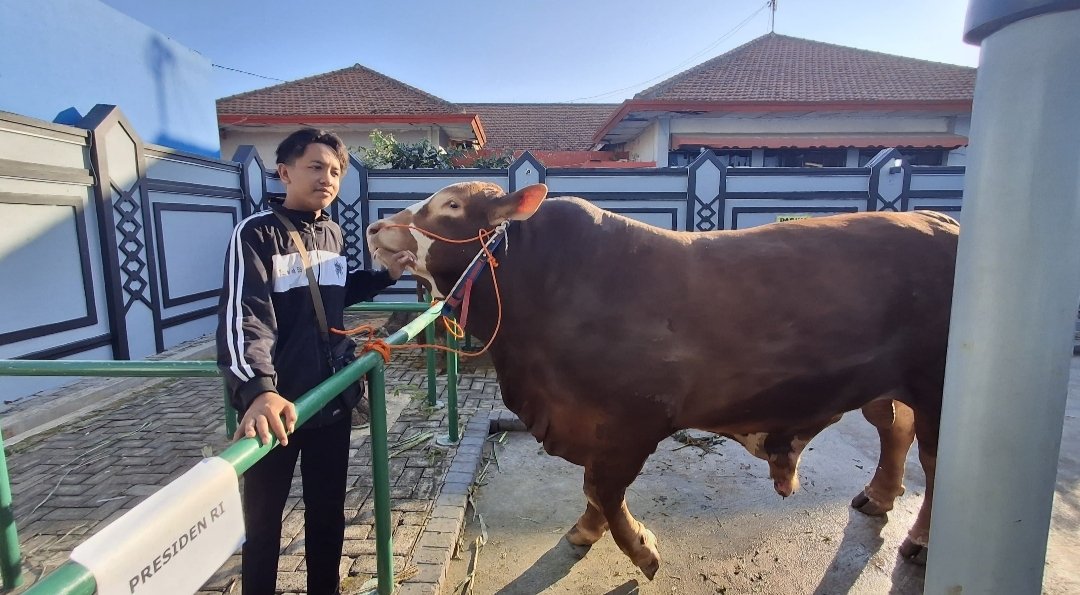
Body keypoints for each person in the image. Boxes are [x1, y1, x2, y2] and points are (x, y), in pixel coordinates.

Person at [216, 128, 415, 595]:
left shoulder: (331, 232)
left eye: (335, 171)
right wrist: (259, 390)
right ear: (284, 172)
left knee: (328, 512)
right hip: (278, 412)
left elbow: (335, 294)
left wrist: (386, 276)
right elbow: (244, 318)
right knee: (262, 523)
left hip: (330, 400)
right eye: (316, 167)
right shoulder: (256, 234)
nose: (327, 178)